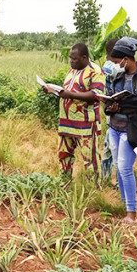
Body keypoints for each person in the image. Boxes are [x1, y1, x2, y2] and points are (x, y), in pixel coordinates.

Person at [102, 37, 137, 223]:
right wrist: (111, 107)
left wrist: (119, 105)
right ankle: (125, 204)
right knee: (118, 165)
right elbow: (108, 101)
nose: (116, 65)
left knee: (125, 167)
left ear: (126, 58)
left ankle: (131, 213)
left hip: (130, 129)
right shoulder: (118, 77)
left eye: (117, 62)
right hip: (114, 127)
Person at [45, 43, 105, 178]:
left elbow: (96, 95)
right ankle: (65, 185)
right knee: (64, 155)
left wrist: (69, 95)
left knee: (90, 159)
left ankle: (93, 191)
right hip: (66, 123)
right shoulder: (72, 70)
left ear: (84, 57)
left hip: (86, 124)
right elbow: (67, 91)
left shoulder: (96, 71)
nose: (71, 61)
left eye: (74, 59)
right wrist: (52, 90)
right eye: (70, 58)